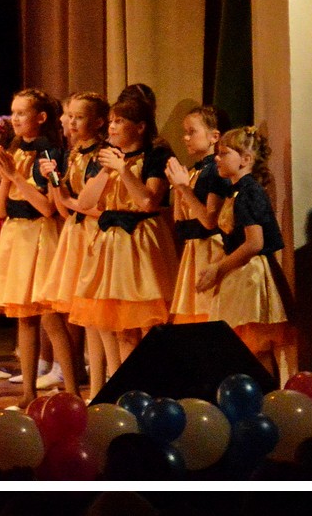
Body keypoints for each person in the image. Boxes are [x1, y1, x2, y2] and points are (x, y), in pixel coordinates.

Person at [67, 92, 177, 367]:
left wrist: (123, 169)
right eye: (111, 121)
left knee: (149, 321)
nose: (112, 127)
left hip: (141, 238)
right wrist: (107, 171)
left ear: (140, 127)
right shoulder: (106, 155)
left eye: (120, 121)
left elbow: (148, 201)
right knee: (122, 328)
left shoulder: (155, 154)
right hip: (111, 243)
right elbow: (85, 202)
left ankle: (156, 382)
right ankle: (131, 385)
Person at [0, 88, 77, 409]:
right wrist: (6, 179)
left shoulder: (48, 152)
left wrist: (16, 177)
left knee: (50, 318)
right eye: (13, 112)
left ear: (41, 117)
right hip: (16, 237)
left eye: (22, 113)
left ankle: (72, 388)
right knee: (24, 318)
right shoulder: (15, 150)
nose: (15, 119)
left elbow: (47, 208)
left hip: (41, 235)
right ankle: (28, 392)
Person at [200, 126, 295, 381]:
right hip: (239, 272)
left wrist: (218, 268)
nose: (217, 158)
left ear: (246, 159)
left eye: (224, 153)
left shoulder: (249, 192)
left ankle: (266, 396)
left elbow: (254, 243)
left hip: (250, 274)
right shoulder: (237, 192)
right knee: (243, 347)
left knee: (255, 346)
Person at [35, 92, 110, 392]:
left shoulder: (101, 156)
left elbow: (98, 207)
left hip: (95, 235)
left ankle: (103, 384)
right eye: (70, 116)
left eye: (80, 117)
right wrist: (54, 179)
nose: (72, 122)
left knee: (96, 317)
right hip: (75, 233)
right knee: (81, 316)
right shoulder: (73, 154)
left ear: (99, 122)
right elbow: (65, 208)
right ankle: (89, 387)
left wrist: (68, 200)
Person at [165, 104, 232, 324]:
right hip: (194, 250)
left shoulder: (216, 171)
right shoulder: (195, 171)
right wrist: (178, 188)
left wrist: (184, 189)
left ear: (214, 136)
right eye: (185, 132)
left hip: (211, 250)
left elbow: (210, 221)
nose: (185, 138)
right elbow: (181, 223)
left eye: (192, 132)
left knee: (210, 313)